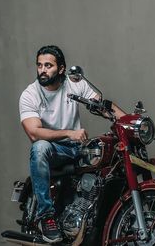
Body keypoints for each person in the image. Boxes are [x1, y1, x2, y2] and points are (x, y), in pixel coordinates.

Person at [19, 45, 125, 243]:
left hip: (78, 148)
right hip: (54, 150)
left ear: (61, 69)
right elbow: (34, 133)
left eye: (48, 65)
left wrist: (130, 122)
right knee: (39, 147)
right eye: (39, 65)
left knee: (109, 153)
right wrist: (69, 133)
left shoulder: (74, 84)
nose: (42, 70)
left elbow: (102, 105)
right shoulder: (30, 94)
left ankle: (94, 219)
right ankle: (46, 216)